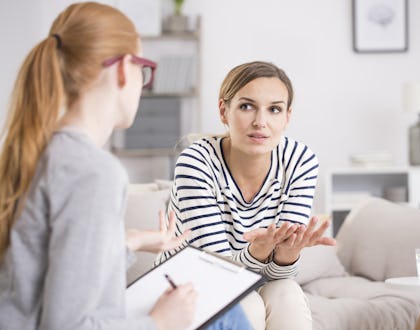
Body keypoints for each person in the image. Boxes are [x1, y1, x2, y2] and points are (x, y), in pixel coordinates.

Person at [0, 2, 250, 330]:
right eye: (143, 70)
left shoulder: (38, 150)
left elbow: (48, 267)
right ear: (123, 69)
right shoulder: (93, 171)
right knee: (225, 315)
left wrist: (132, 240)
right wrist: (161, 322)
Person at [159, 61, 336, 329]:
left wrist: (287, 254)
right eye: (246, 106)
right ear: (224, 111)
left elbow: (281, 275)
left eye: (274, 109)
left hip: (251, 279)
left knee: (286, 293)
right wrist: (259, 252)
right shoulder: (197, 162)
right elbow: (217, 272)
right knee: (248, 304)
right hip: (187, 285)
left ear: (287, 117)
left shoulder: (299, 161)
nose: (260, 122)